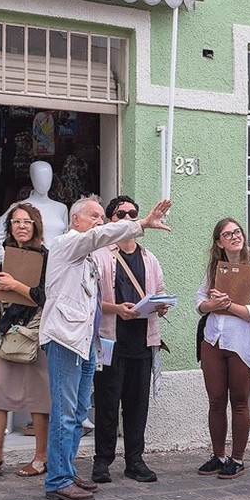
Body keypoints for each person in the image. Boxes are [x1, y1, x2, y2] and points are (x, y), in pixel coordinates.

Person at [40, 195, 172, 500]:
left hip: (85, 343)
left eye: (102, 217)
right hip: (65, 340)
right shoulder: (68, 244)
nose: (101, 223)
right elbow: (100, 236)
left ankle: (67, 472)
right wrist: (140, 224)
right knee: (64, 413)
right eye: (96, 217)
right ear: (77, 221)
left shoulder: (87, 256)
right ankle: (57, 479)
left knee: (76, 413)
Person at [91, 196, 169, 484]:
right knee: (108, 404)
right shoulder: (99, 255)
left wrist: (161, 305)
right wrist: (115, 309)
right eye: (119, 213)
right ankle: (102, 462)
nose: (126, 217)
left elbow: (160, 292)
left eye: (132, 213)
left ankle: (135, 460)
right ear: (110, 220)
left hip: (142, 341)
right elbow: (90, 299)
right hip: (111, 342)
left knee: (138, 406)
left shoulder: (149, 258)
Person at [0, 203, 51, 479]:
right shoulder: (7, 256)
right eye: (16, 222)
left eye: (27, 222)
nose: (21, 226)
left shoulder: (47, 258)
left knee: (39, 400)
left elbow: (45, 297)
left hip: (33, 334)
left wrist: (15, 287)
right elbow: (4, 295)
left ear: (36, 225)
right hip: (8, 333)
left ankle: (41, 458)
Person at [194, 218, 250, 480]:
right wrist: (210, 306)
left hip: (241, 343)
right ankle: (219, 455)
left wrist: (227, 307)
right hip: (214, 340)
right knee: (215, 400)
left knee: (239, 401)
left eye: (238, 232)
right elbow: (199, 302)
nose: (235, 236)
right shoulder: (215, 269)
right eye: (228, 234)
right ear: (219, 242)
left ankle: (237, 459)